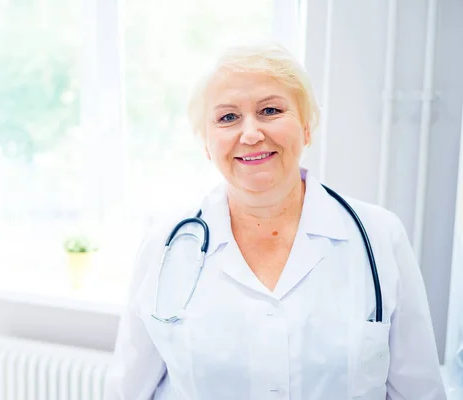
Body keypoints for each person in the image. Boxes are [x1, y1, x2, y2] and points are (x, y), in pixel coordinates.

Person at [104, 42, 446, 399]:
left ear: (306, 128)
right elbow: (127, 391)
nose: (250, 134)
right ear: (207, 143)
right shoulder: (166, 245)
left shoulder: (379, 236)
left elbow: (420, 392)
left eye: (270, 110)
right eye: (227, 117)